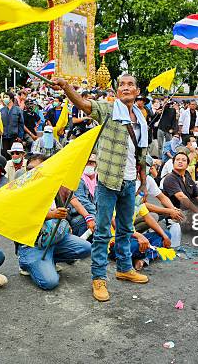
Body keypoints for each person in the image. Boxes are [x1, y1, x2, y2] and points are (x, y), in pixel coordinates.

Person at [51, 74, 150, 302]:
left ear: (137, 91)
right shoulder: (108, 110)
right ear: (117, 91)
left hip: (129, 182)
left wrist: (143, 181)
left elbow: (141, 154)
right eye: (122, 84)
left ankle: (124, 268)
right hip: (108, 181)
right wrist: (66, 86)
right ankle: (98, 279)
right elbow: (84, 104)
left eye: (130, 85)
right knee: (103, 232)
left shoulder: (141, 119)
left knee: (125, 228)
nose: (126, 88)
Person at [18, 157, 91, 290]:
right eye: (29, 169)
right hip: (33, 245)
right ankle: (25, 262)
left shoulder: (54, 186)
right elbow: (22, 217)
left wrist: (87, 217)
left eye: (37, 169)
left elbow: (71, 201)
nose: (32, 172)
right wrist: (50, 215)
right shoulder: (22, 190)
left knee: (86, 248)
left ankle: (51, 259)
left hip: (55, 238)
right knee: (50, 282)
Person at [0, 92, 26, 157]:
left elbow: (21, 124)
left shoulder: (18, 110)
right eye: (4, 97)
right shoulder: (1, 111)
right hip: (4, 136)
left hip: (15, 137)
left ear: (11, 99)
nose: (4, 99)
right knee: (5, 154)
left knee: (15, 155)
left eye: (6, 97)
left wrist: (20, 136)